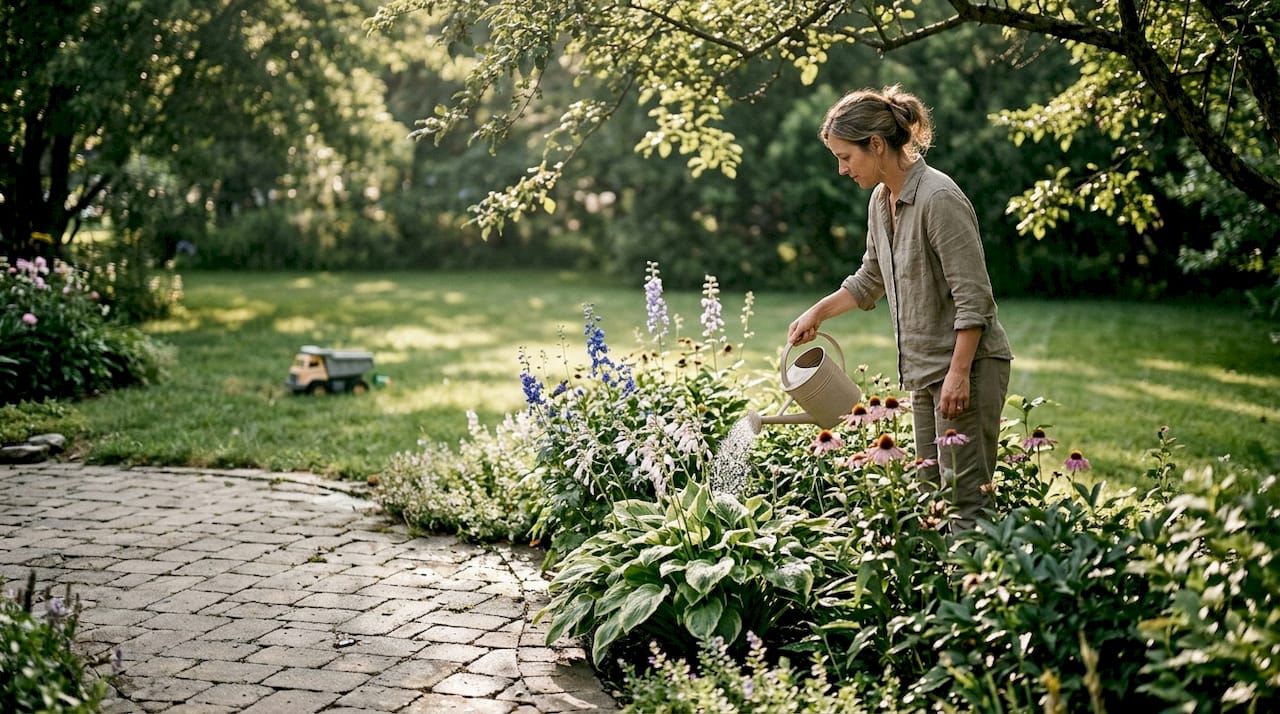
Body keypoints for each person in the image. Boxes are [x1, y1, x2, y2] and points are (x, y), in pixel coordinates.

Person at [787, 85, 1013, 528]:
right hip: (926, 374)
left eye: (846, 157)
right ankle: (943, 595)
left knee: (965, 504)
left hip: (964, 371)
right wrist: (817, 313)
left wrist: (958, 373)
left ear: (876, 145)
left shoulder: (938, 198)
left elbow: (975, 298)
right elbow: (871, 279)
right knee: (932, 501)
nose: (841, 169)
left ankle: (983, 595)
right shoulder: (881, 201)